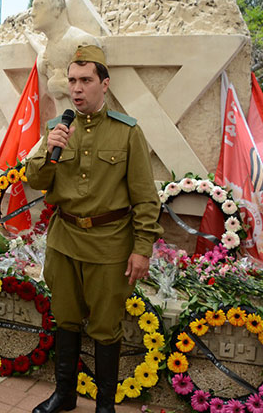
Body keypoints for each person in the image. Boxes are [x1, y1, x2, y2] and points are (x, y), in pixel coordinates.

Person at [26, 45, 163, 413]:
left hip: (109, 245)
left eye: (86, 80)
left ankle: (105, 404)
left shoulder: (127, 132)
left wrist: (142, 248)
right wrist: (46, 149)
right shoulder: (57, 129)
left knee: (105, 327)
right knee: (66, 319)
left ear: (104, 84)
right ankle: (65, 395)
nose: (77, 89)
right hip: (64, 241)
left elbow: (146, 199)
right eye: (72, 80)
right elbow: (36, 178)